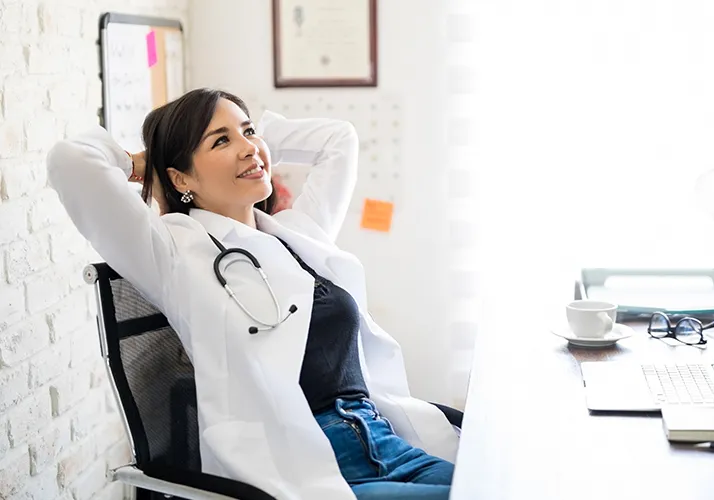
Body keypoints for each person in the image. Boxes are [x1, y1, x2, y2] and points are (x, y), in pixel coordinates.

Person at [46, 88, 459, 500]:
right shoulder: (175, 255)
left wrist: (253, 144)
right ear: (180, 178)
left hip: (387, 441)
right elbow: (70, 161)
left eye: (248, 131)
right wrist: (143, 161)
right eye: (220, 140)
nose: (247, 147)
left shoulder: (298, 233)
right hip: (310, 468)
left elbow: (340, 140)